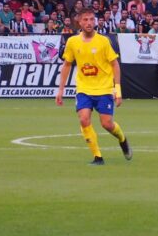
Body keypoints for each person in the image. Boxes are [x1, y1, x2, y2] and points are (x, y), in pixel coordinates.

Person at [55, 9, 132, 165]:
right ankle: (98, 157)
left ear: (95, 21)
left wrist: (117, 90)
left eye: (91, 19)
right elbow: (67, 65)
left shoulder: (103, 41)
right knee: (84, 119)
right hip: (84, 88)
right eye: (85, 20)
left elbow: (115, 65)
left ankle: (122, 139)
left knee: (107, 124)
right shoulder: (72, 42)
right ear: (80, 22)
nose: (89, 23)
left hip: (104, 89)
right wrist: (61, 89)